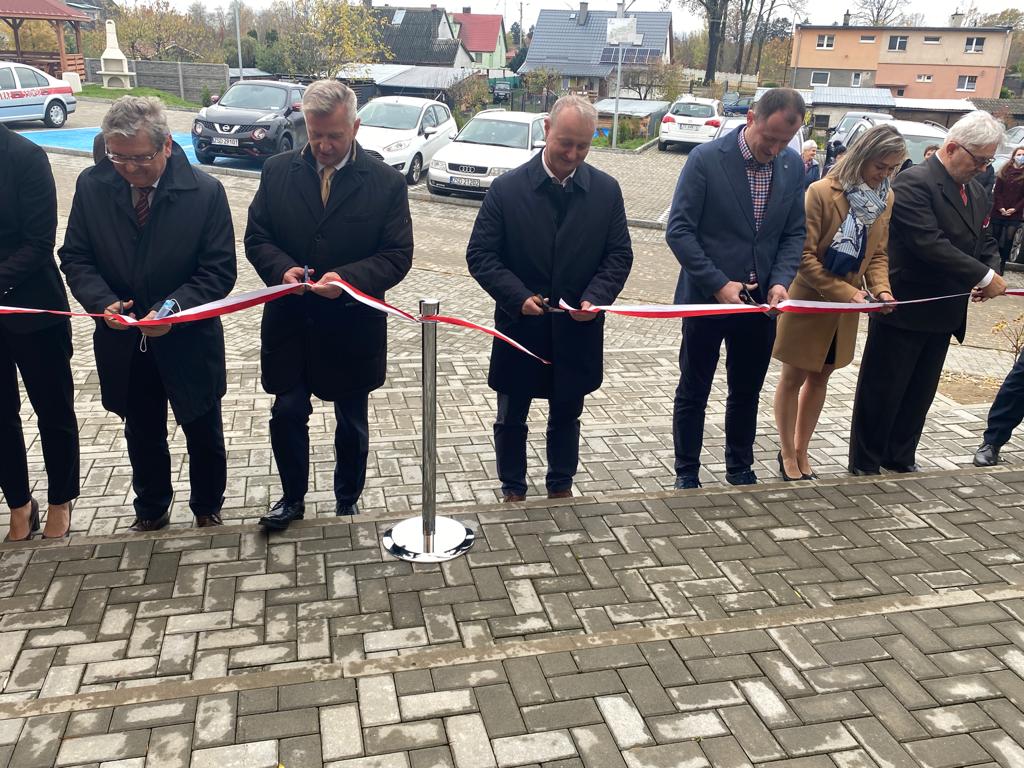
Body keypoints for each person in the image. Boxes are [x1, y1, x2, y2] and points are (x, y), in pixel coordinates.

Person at [59, 96, 236, 532]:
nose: (128, 168)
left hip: (188, 338)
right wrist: (101, 300)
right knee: (141, 431)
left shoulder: (205, 192)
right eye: (117, 157)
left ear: (167, 146)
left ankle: (207, 506)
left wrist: (174, 307)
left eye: (140, 158)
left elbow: (218, 271)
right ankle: (151, 508)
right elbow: (76, 257)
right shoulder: (92, 186)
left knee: (203, 428)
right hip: (123, 339)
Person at [245, 80, 413, 530]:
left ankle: (347, 500)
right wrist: (282, 269)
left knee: (351, 421)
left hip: (351, 327)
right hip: (290, 323)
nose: (323, 145)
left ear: (355, 127)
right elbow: (257, 237)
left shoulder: (386, 183)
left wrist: (348, 279)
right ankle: (291, 499)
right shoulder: (277, 171)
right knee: (286, 412)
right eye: (315, 134)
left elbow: (397, 256)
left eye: (334, 136)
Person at [466, 95, 632, 502]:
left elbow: (619, 256)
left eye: (583, 146)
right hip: (520, 326)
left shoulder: (606, 191)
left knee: (567, 413)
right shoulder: (506, 190)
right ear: (546, 130)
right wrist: (517, 296)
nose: (572, 154)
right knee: (511, 414)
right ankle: (513, 487)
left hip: (577, 328)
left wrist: (595, 298)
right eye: (565, 143)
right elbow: (481, 255)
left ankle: (561, 483)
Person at [849, 110, 1006, 475]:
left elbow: (984, 238)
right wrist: (983, 276)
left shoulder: (975, 190)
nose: (983, 168)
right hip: (905, 308)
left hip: (946, 312)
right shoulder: (914, 182)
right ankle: (866, 462)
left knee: (919, 393)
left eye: (988, 161)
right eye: (979, 159)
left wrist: (992, 269)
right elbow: (928, 243)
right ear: (952, 148)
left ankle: (900, 456)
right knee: (883, 390)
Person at [666, 87, 807, 488]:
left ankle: (740, 467)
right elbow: (679, 231)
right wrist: (717, 284)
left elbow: (793, 234)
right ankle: (687, 471)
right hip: (707, 299)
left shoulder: (791, 166)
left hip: (760, 305)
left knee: (746, 391)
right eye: (770, 138)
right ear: (750, 119)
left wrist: (780, 281)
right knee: (694, 388)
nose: (774, 149)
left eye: (785, 141)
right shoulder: (706, 159)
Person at [773, 124, 905, 481]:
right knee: (793, 377)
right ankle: (786, 451)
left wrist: (882, 291)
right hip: (810, 302)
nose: (885, 175)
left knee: (821, 377)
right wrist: (848, 293)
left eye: (892, 169)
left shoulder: (886, 198)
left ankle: (802, 449)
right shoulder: (820, 192)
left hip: (846, 308)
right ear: (862, 156)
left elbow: (878, 254)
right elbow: (803, 257)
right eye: (880, 166)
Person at [0, 124, 79, 541]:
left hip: (34, 307)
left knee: (53, 410)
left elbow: (38, 242)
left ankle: (60, 500)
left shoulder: (26, 157)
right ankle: (18, 503)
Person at [990, 146, 1024, 272]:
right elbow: (997, 191)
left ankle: (1002, 264)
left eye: (1023, 155)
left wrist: (1015, 209)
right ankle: (992, 263)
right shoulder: (1004, 170)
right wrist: (1000, 207)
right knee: (995, 237)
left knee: (1009, 239)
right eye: (1019, 154)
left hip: (1015, 213)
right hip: (999, 210)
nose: (1021, 157)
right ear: (1014, 156)